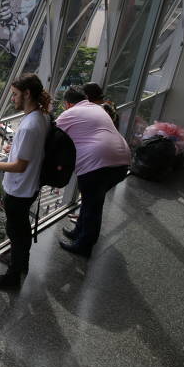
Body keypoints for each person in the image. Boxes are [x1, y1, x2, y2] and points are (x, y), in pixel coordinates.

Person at [0, 73, 50, 289]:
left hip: (19, 189)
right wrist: (14, 148)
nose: (12, 99)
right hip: (29, 186)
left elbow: (20, 166)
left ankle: (12, 277)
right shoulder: (41, 117)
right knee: (21, 229)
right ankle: (21, 262)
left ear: (27, 94)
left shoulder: (29, 125)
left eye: (15, 94)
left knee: (16, 232)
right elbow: (30, 152)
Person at [56, 85, 130, 257]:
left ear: (68, 104)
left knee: (92, 206)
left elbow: (51, 134)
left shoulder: (70, 113)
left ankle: (84, 245)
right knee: (91, 201)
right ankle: (78, 232)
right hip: (122, 160)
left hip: (97, 163)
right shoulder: (99, 109)